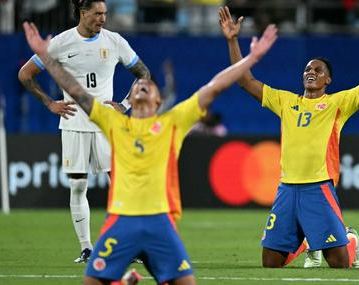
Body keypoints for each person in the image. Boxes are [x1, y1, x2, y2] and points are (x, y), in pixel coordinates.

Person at [23, 18, 278, 285]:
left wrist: (252, 57)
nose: (142, 87)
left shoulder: (173, 122)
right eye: (138, 88)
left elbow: (215, 86)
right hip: (121, 222)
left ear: (159, 100)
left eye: (149, 86)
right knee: (92, 282)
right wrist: (45, 57)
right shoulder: (113, 123)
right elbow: (76, 90)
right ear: (130, 99)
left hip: (161, 223)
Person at [219, 5, 359, 268]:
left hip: (318, 188)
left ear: (329, 80)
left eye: (319, 70)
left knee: (339, 264)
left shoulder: (338, 104)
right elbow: (245, 80)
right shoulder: (285, 101)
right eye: (308, 69)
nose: (311, 72)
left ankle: (351, 241)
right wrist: (232, 41)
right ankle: (307, 242)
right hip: (286, 188)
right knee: (270, 263)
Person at [17, 0, 151, 264]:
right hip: (74, 123)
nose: (103, 18)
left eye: (105, 14)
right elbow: (25, 74)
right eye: (98, 14)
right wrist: (49, 102)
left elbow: (144, 72)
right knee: (78, 185)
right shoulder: (61, 43)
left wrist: (125, 105)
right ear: (83, 13)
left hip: (107, 124)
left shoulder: (115, 41)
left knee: (121, 186)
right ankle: (86, 247)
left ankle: (128, 246)